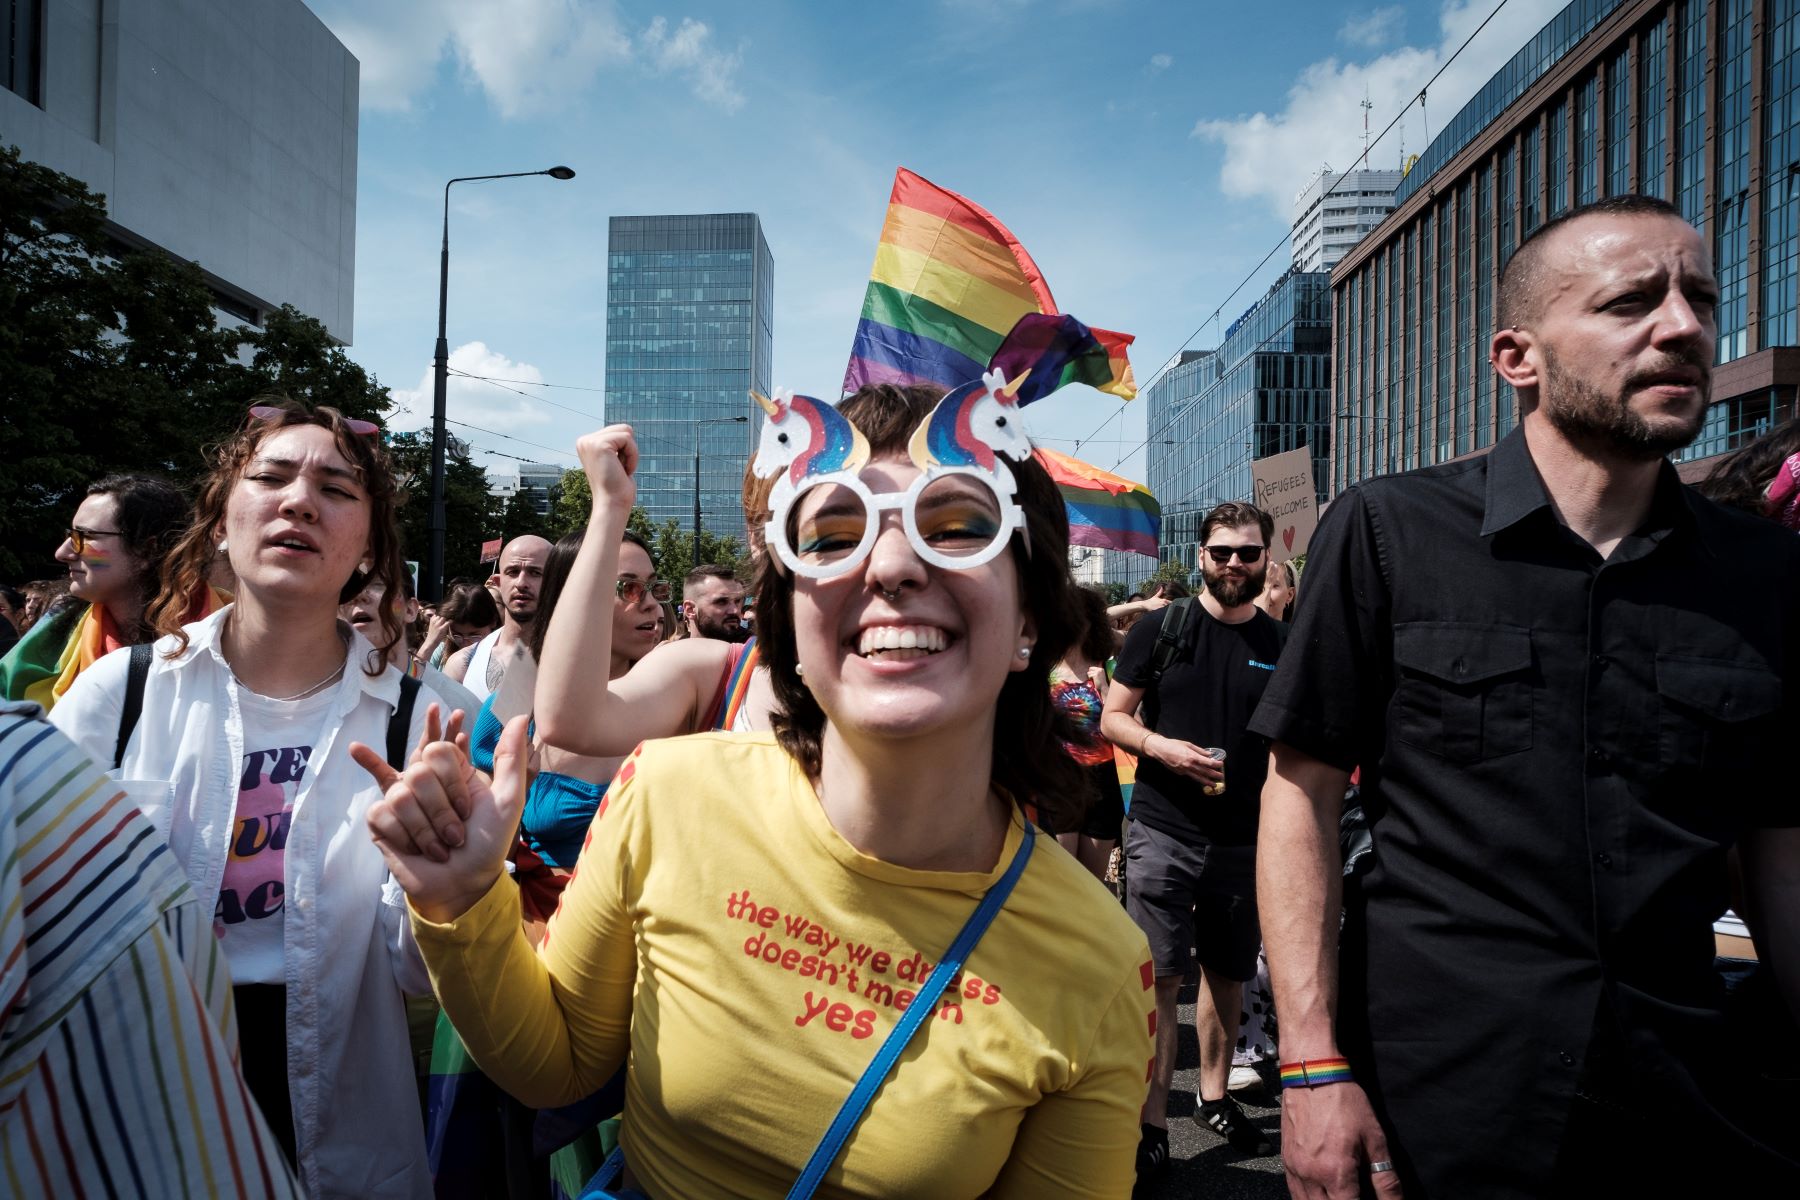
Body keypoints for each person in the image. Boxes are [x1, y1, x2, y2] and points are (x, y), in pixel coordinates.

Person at [365, 380, 1156, 1198]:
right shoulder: (666, 794)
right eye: (834, 535)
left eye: (957, 527)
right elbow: (558, 1066)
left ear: (1029, 619)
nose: (891, 566)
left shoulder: (1096, 965)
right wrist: (463, 905)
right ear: (790, 620)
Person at [1251, 195, 1800, 1198]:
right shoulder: (1388, 532)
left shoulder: (1765, 572)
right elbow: (1301, 798)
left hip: (1688, 1095)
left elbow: (1780, 846)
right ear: (1518, 357)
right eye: (1631, 302)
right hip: (1434, 1098)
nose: (1683, 327)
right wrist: (1311, 1066)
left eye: (1701, 299)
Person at [51, 400, 451, 1199]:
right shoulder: (120, 695)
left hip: (343, 1108)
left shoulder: (423, 721)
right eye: (271, 477)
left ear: (370, 546)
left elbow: (418, 976)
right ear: (220, 522)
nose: (299, 501)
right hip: (138, 1095)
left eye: (336, 489)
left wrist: (448, 889)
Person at [0, 702, 302, 1197]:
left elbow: (412, 974)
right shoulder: (117, 694)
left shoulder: (413, 708)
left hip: (319, 1035)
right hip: (142, 1068)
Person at [1100, 502, 1286, 1176]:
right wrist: (1164, 749)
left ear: (1265, 559)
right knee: (1162, 978)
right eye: (1221, 552)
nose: (1234, 563)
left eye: (1247, 553)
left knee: (1228, 974)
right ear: (1200, 556)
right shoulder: (1162, 628)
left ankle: (1213, 1096)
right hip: (1163, 829)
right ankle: (1153, 1118)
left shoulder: (1281, 643)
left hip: (1244, 840)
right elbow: (1113, 718)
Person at [0, 473, 222, 711]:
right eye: (70, 535)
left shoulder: (226, 633)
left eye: (85, 536)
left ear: (148, 549)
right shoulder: (53, 638)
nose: (62, 553)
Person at [1048, 585, 1123, 882]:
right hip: (1058, 777)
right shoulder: (1042, 670)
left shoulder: (1110, 668)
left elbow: (1128, 722)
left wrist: (1104, 688)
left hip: (1104, 780)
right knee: (1061, 879)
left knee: (1091, 882)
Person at [341, 576, 480, 718]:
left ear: (410, 610)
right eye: (346, 589)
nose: (359, 596)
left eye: (377, 584)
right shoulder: (329, 702)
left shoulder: (455, 705)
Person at [445, 535, 549, 702]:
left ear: (555, 582)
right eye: (513, 572)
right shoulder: (462, 665)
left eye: (535, 573)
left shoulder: (579, 660)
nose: (521, 583)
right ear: (498, 582)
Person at [417, 579, 500, 669]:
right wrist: (429, 644)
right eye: (457, 635)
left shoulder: (503, 656)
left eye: (474, 636)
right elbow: (413, 676)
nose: (465, 644)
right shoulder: (441, 652)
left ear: (493, 622)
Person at [680, 562, 748, 641]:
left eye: (737, 601)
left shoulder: (755, 646)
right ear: (690, 610)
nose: (735, 611)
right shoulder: (672, 648)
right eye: (722, 602)